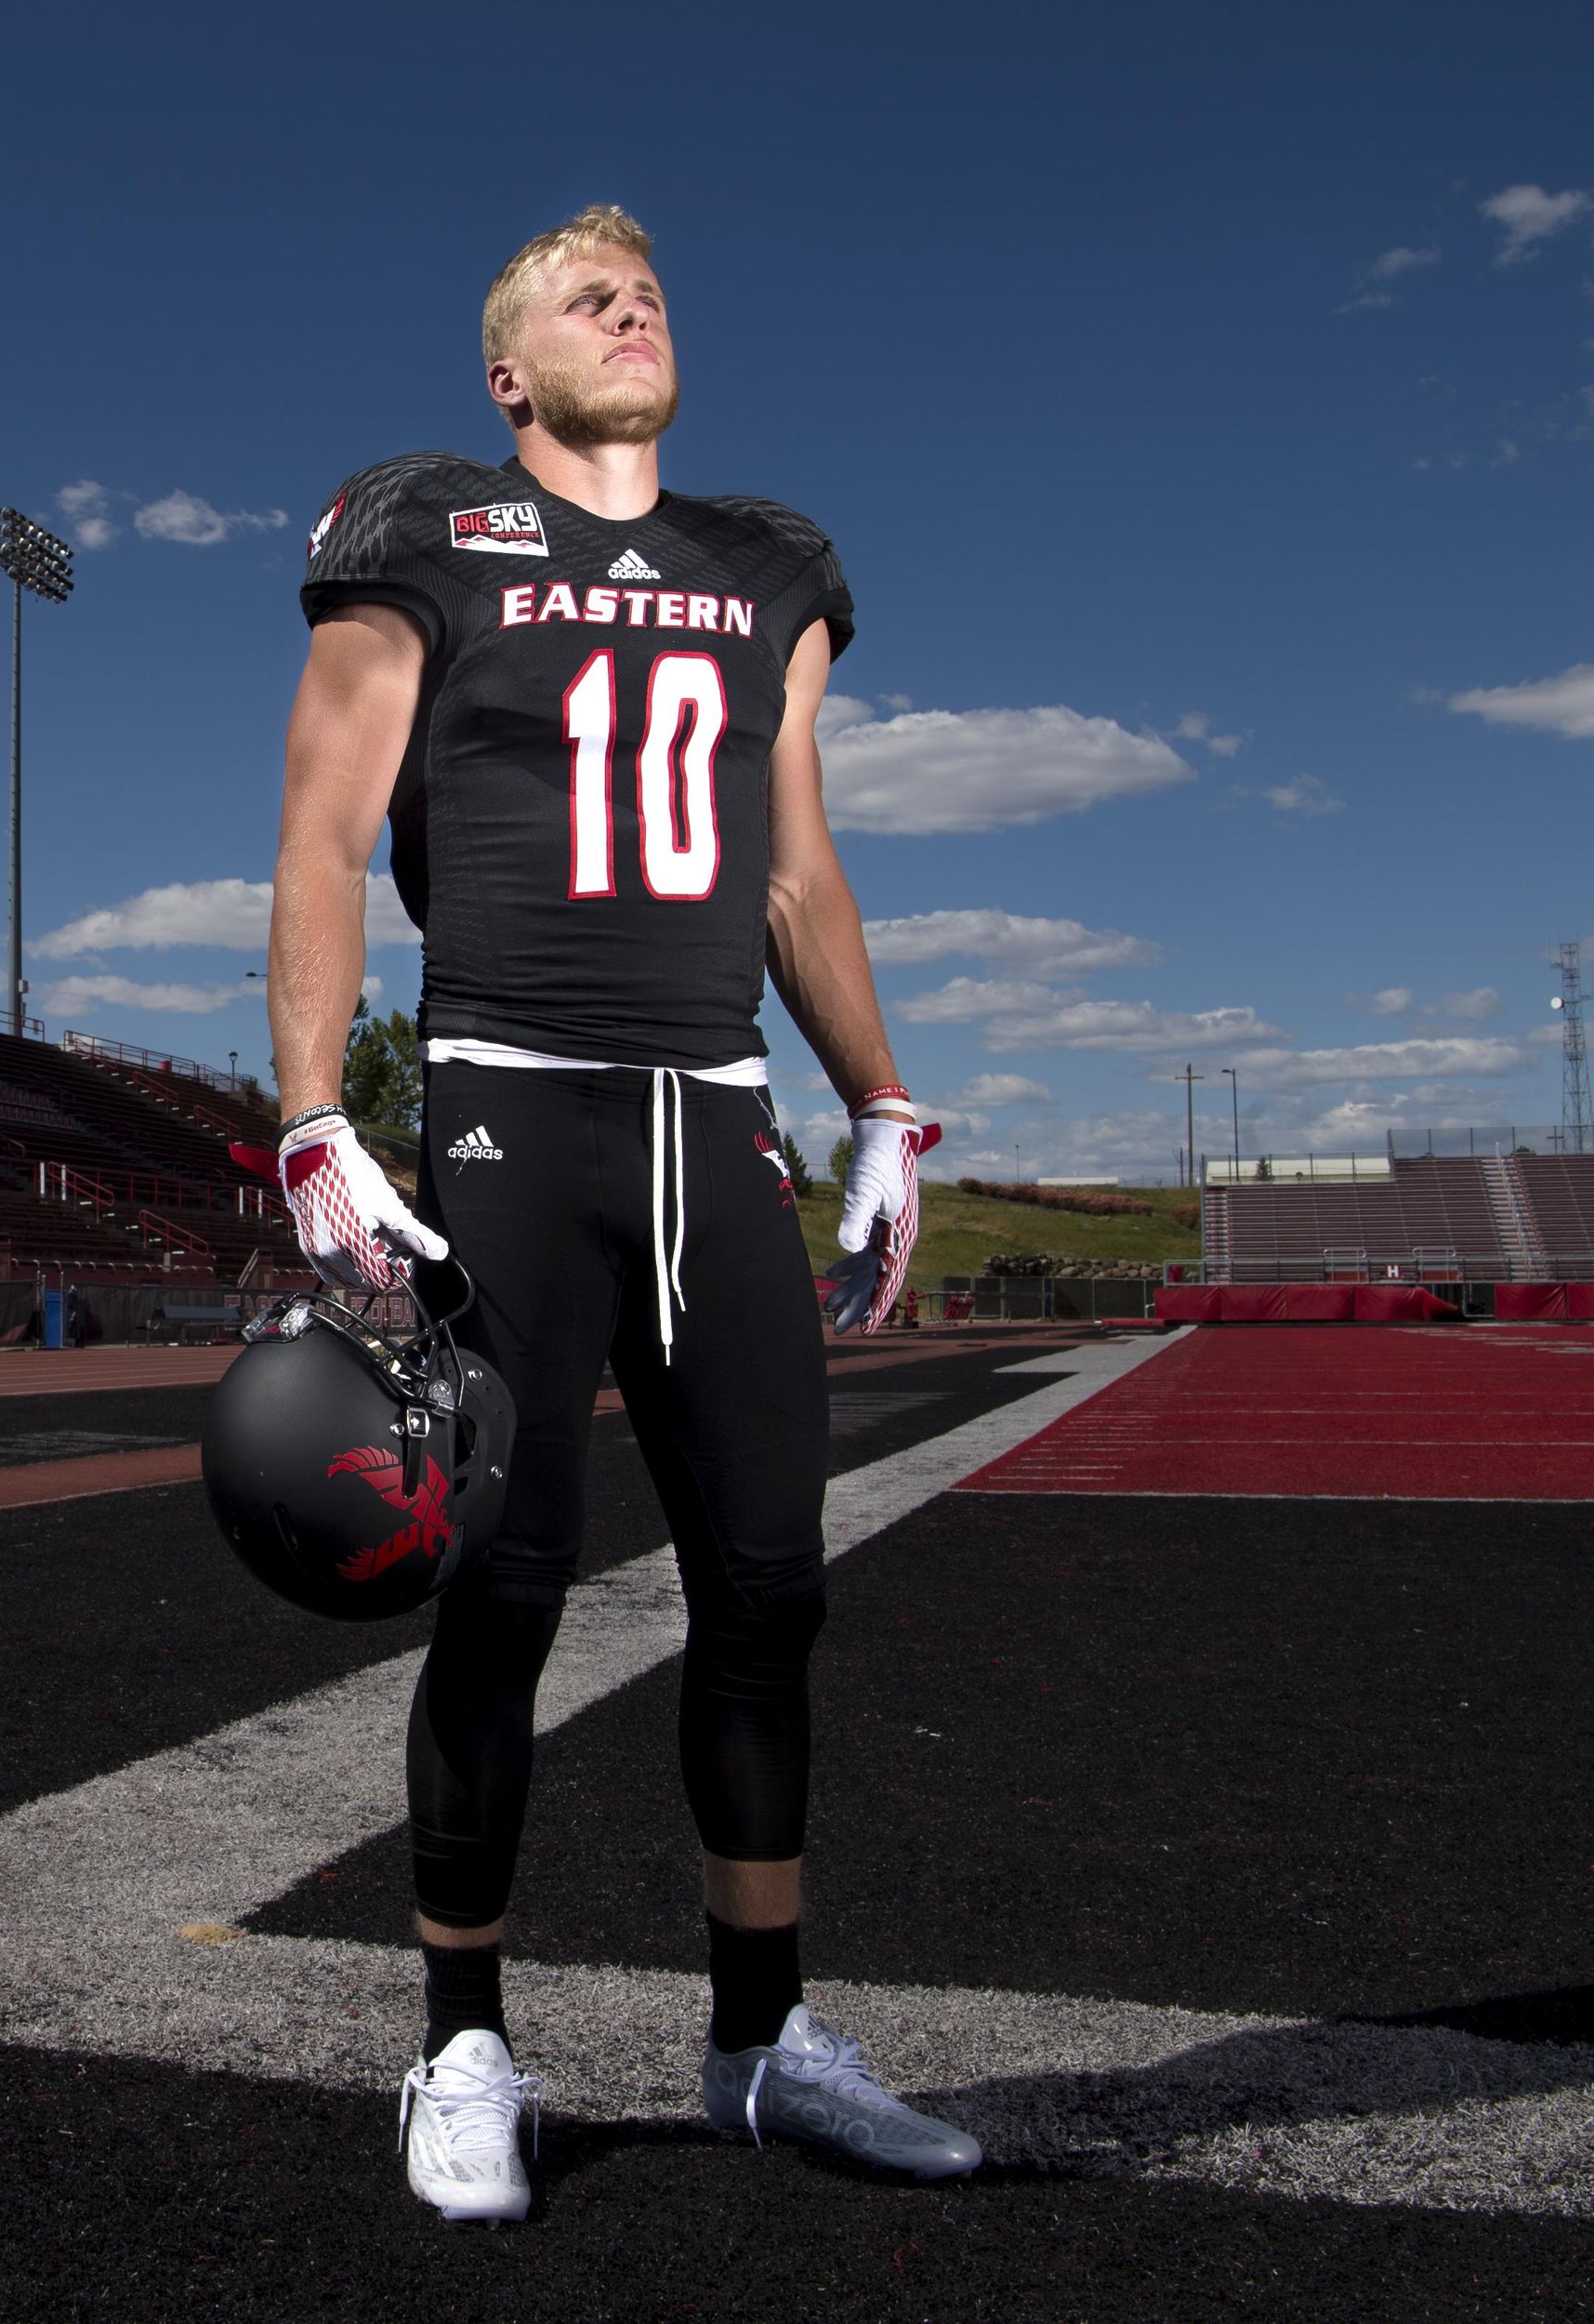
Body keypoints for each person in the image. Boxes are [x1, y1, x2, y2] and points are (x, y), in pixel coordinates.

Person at [265, 205, 976, 2222]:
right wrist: (313, 1109)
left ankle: (758, 2043)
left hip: (716, 1116)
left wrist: (883, 1099)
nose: (628, 304)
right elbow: (322, 828)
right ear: (505, 374)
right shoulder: (425, 527)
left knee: (770, 1585)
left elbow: (792, 866)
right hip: (511, 1099)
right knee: (502, 1582)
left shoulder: (768, 566)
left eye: (645, 288)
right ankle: (459, 2040)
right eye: (581, 295)